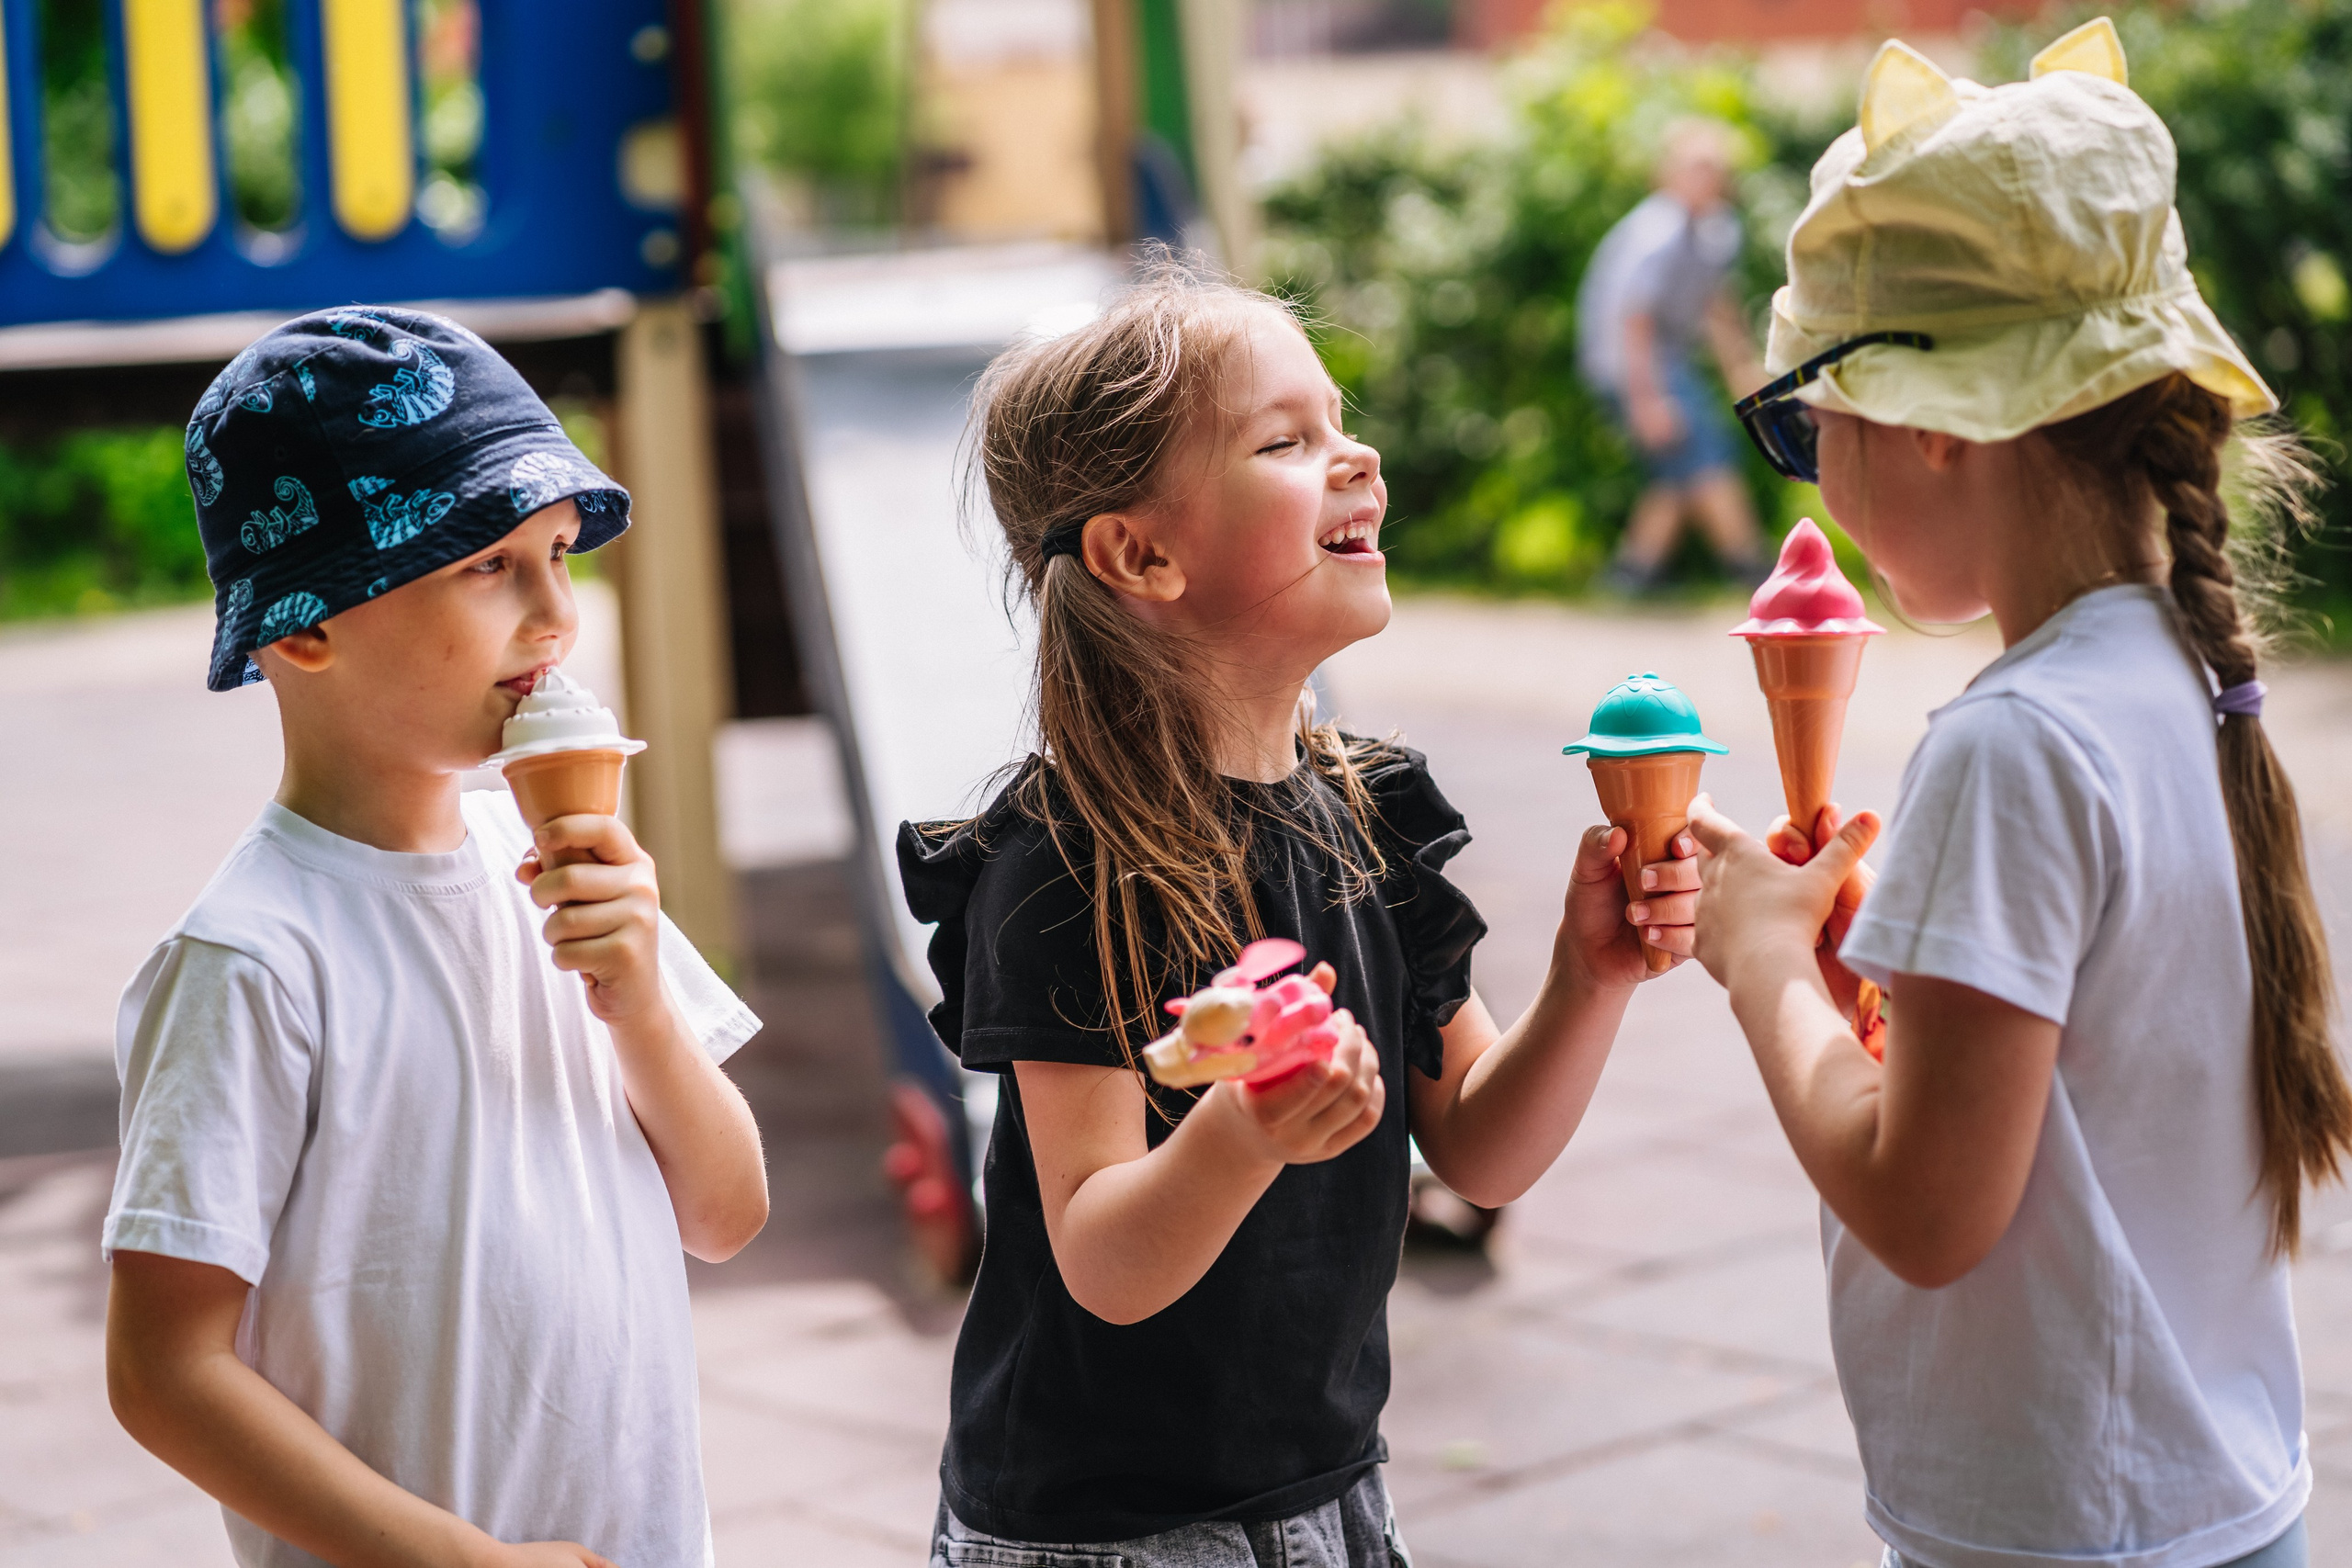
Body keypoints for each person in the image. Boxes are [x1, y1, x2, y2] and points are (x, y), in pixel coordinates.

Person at [897, 258, 1700, 1566]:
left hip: (1328, 1484)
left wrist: (1589, 973)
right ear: (1140, 552)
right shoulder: (1069, 862)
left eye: (1340, 418)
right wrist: (1247, 1128)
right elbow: (1100, 1250)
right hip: (1107, 1530)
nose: (1356, 454)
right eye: (1288, 438)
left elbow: (1483, 1148)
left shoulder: (1370, 812)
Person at [1689, 22, 2346, 1568]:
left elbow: (1925, 1208)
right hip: (2209, 1499)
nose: (1811, 473)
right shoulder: (2181, 675)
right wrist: (1898, 983)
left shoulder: (2014, 743)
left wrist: (1764, 963)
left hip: (2068, 1530)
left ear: (1930, 421)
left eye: (1805, 422)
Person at [102, 308, 769, 1568]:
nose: (556, 615)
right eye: (487, 564)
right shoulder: (253, 961)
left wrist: (641, 1009)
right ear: (305, 623)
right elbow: (164, 1368)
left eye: (561, 555)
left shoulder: (569, 876)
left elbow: (728, 1211)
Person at [1577, 117, 1771, 593]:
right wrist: (1647, 400)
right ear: (1667, 174)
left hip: (1667, 362)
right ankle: (1754, 571)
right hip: (1632, 366)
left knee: (1678, 470)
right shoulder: (1657, 231)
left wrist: (1742, 373)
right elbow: (1633, 321)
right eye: (1694, 167)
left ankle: (1631, 576)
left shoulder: (1716, 229)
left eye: (1713, 168)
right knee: (1708, 460)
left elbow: (1718, 307)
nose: (1705, 178)